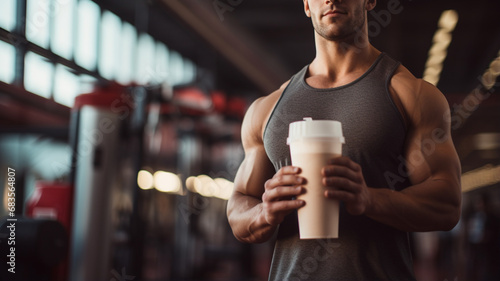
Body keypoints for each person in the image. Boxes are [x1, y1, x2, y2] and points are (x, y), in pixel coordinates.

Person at [226, 0, 462, 280]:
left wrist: (371, 200)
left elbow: (447, 204)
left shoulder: (412, 95)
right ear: (306, 5)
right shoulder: (266, 110)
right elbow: (238, 206)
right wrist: (264, 213)